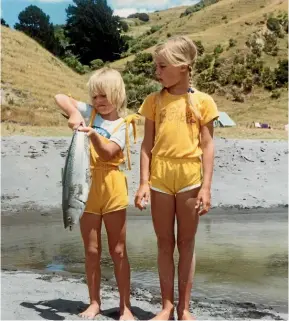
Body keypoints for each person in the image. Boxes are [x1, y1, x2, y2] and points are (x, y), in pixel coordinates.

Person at [134, 36, 219, 320]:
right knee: (163, 243)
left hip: (189, 178)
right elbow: (147, 145)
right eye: (156, 66)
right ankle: (166, 306)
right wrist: (143, 182)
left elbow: (207, 146)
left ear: (183, 67)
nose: (157, 72)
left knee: (186, 243)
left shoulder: (203, 102)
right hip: (160, 176)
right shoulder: (153, 101)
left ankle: (184, 308)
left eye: (162, 66)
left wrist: (206, 188)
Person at [55, 67, 139, 320]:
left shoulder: (124, 124)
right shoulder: (89, 113)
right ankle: (94, 302)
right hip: (85, 184)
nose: (98, 102)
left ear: (118, 95)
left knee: (118, 250)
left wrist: (91, 135)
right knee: (91, 250)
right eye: (94, 97)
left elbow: (109, 153)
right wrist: (72, 112)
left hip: (112, 187)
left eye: (104, 96)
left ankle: (125, 306)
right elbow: (60, 96)